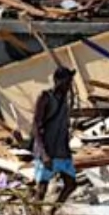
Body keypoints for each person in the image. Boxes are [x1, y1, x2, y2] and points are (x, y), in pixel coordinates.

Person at [32, 66, 79, 204]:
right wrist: (43, 154)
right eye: (66, 82)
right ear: (57, 80)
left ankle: (51, 212)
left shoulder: (64, 100)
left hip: (62, 150)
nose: (68, 86)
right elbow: (36, 126)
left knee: (71, 184)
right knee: (42, 189)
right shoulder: (45, 97)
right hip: (48, 150)